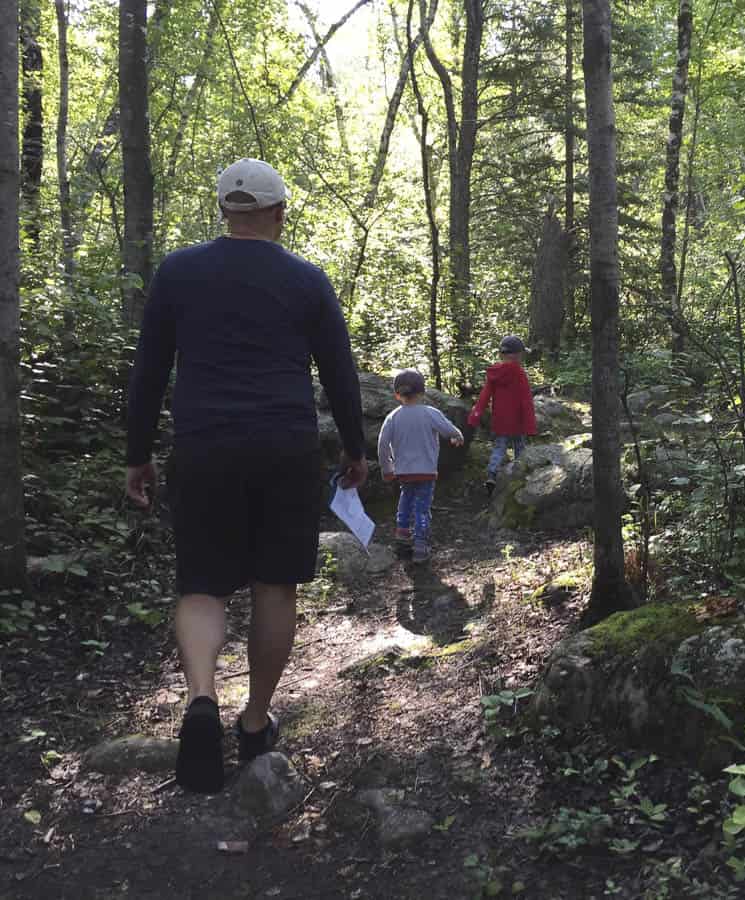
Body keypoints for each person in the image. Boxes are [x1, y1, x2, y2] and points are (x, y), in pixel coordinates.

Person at [124, 158, 368, 794]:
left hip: (204, 448)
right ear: (279, 212)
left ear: (224, 210)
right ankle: (255, 722)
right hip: (285, 449)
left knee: (202, 586)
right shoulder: (307, 281)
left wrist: (137, 453)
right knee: (274, 586)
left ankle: (201, 700)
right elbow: (340, 374)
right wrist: (355, 448)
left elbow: (148, 371)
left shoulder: (178, 272)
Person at [377, 369, 464, 563]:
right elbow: (449, 429)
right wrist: (458, 436)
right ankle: (420, 545)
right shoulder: (430, 413)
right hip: (426, 471)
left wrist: (387, 469)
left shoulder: (393, 417)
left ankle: (402, 536)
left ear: (397, 394)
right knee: (422, 507)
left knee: (406, 499)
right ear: (422, 392)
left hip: (404, 472)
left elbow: (382, 444)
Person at [466, 335, 537, 495]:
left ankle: (492, 474)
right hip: (517, 421)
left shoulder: (494, 374)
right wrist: (530, 425)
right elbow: (526, 401)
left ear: (501, 355)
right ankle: (520, 474)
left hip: (500, 420)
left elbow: (484, 396)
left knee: (499, 448)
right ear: (518, 355)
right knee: (520, 448)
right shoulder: (519, 373)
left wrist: (475, 415)